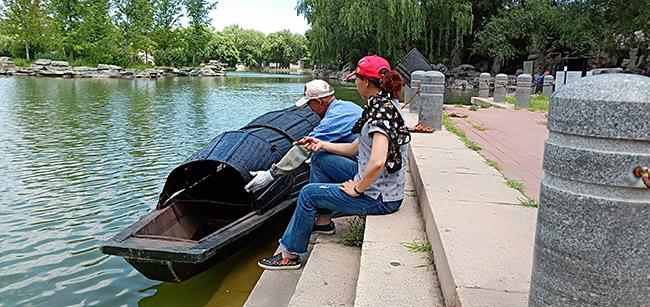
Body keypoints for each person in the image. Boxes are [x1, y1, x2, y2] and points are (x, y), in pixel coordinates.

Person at [257, 55, 411, 270]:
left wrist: (357, 188)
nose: (354, 83)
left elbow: (377, 161)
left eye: (356, 79)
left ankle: (289, 256)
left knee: (308, 194)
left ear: (366, 82)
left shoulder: (380, 115)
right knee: (320, 159)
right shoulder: (383, 104)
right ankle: (323, 222)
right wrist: (321, 145)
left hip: (379, 197)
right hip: (381, 188)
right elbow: (354, 148)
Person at [245, 80, 363, 234]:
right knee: (319, 155)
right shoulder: (347, 106)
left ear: (318, 102)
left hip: (364, 173)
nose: (309, 109)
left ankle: (319, 219)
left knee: (318, 158)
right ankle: (323, 221)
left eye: (309, 105)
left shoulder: (333, 119)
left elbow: (304, 148)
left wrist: (271, 174)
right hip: (363, 165)